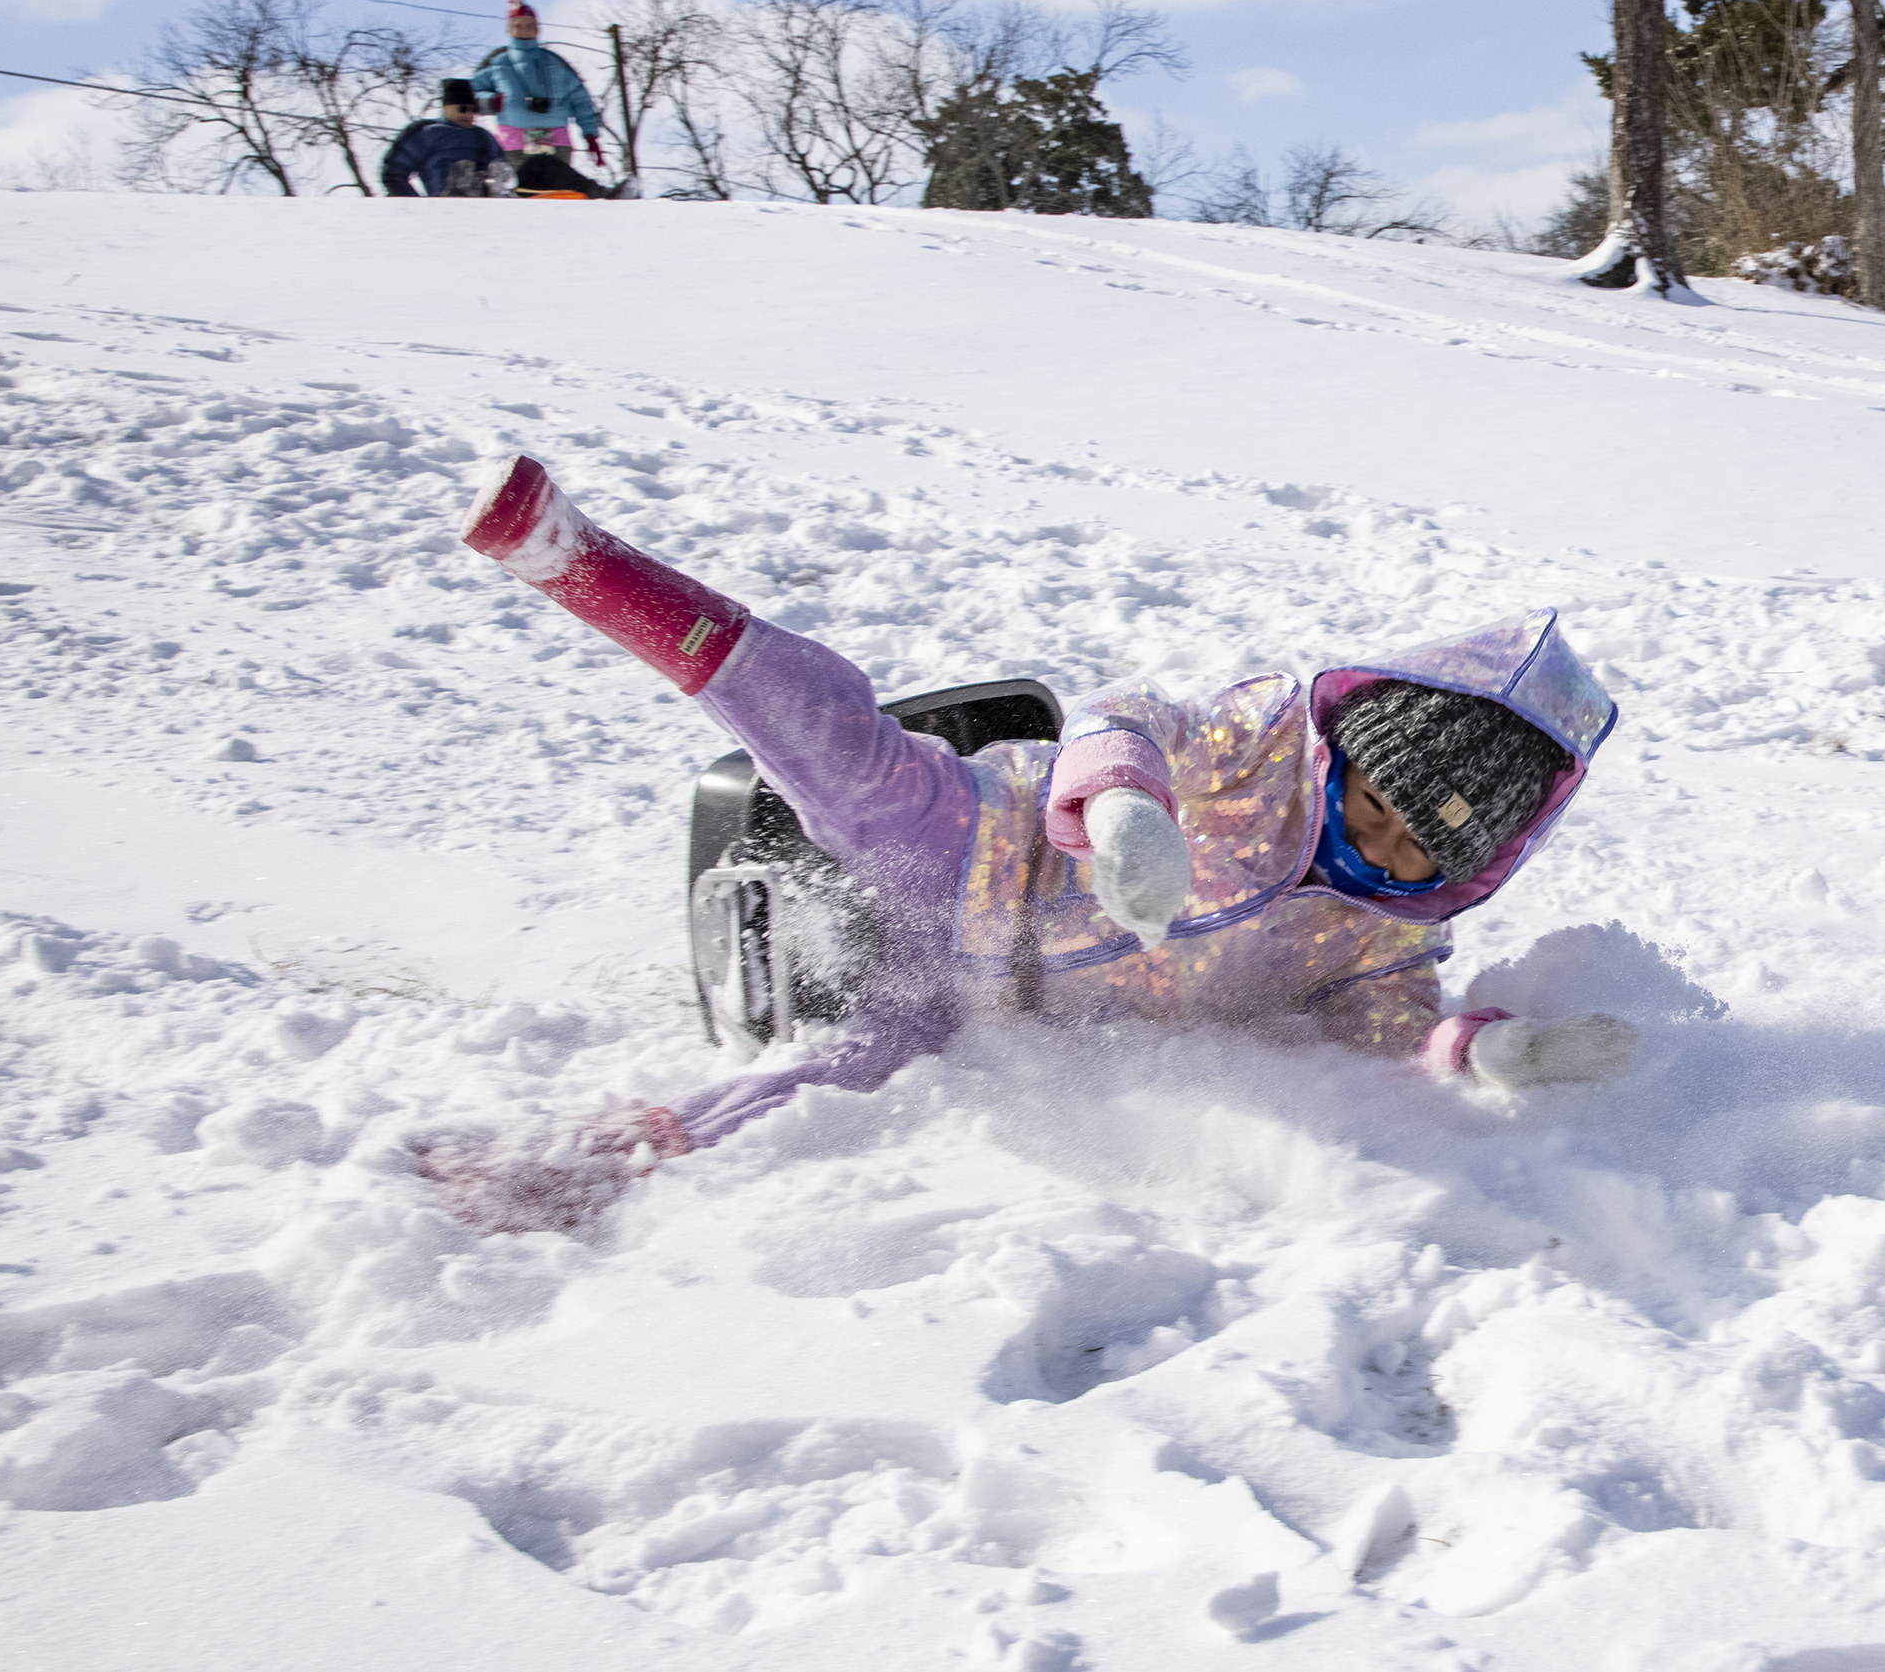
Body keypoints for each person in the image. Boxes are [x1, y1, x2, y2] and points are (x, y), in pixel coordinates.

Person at [418, 456, 1638, 1234]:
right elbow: (1130, 716)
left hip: (987, 1009)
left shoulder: (1375, 945)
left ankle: (604, 1159)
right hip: (982, 848)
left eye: (1412, 843)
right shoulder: (1263, 743)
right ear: (1350, 744)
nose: (1367, 837)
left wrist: (1496, 1050)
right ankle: (578, 563)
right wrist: (1124, 810)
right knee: (831, 744)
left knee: (824, 1083)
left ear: (1475, 861)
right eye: (1368, 796)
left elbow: (1393, 1035)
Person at [469, 0, 613, 194]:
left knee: (555, 190)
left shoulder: (555, 63)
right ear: (509, 29)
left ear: (538, 29)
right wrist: (490, 102)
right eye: (518, 25)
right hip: (513, 144)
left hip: (556, 143)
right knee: (520, 191)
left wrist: (590, 136)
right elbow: (469, 92)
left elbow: (581, 99)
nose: (524, 30)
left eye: (529, 25)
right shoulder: (499, 64)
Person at [378, 79, 506, 197]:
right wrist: (417, 205)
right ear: (446, 108)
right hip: (443, 206)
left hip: (483, 206)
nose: (468, 114)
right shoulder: (426, 132)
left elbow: (501, 171)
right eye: (463, 109)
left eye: (473, 110)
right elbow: (394, 173)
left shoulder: (483, 136)